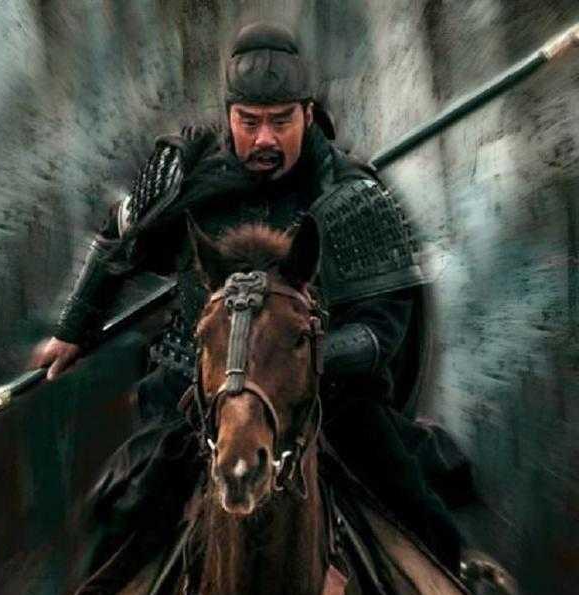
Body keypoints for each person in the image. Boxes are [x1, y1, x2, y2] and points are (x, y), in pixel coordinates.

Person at [33, 22, 465, 592]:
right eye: (250, 121)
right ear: (229, 115)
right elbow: (118, 242)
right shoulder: (183, 176)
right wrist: (74, 327)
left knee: (412, 507)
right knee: (128, 517)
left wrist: (298, 359)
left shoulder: (351, 197)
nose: (265, 138)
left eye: (281, 121)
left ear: (308, 114)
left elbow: (383, 331)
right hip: (194, 394)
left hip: (326, 402)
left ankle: (460, 574)